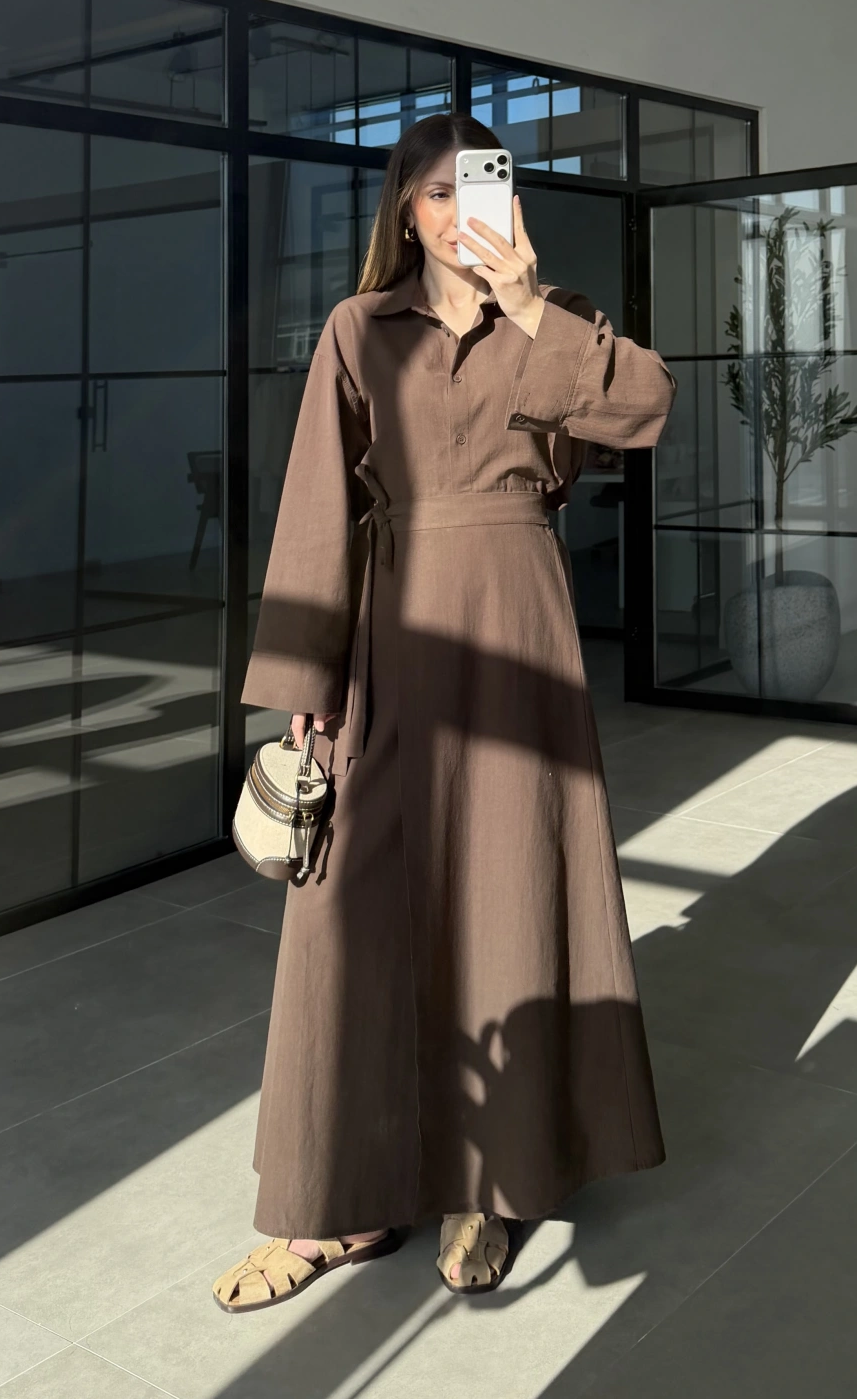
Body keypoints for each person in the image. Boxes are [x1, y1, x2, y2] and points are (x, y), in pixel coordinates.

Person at [213, 112, 677, 1314]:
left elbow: (645, 409)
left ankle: (493, 1182)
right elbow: (317, 506)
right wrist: (307, 684)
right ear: (405, 214)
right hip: (394, 633)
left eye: (473, 188)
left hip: (520, 632)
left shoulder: (554, 317)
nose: (453, 212)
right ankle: (344, 1198)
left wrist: (528, 305)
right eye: (431, 193)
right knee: (356, 913)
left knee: (507, 893)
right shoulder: (357, 329)